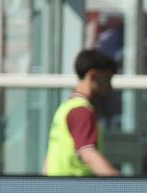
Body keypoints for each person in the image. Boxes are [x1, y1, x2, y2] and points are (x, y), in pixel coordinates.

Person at [44, 49, 120, 177]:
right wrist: (122, 186)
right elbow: (89, 154)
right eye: (107, 79)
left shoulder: (66, 107)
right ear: (93, 76)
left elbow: (48, 161)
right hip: (74, 191)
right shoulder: (82, 111)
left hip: (57, 190)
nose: (110, 87)